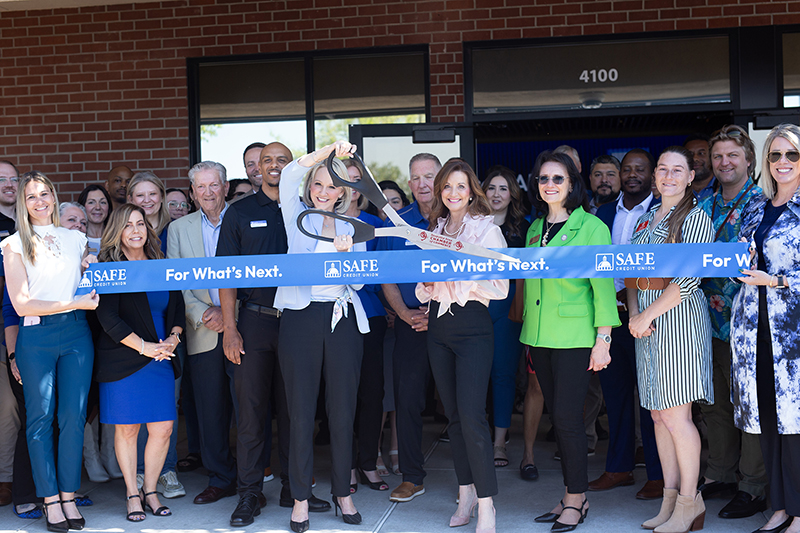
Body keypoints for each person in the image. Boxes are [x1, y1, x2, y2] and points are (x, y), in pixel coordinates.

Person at [521, 151, 619, 532]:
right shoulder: (533, 229)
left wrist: (604, 338)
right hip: (540, 336)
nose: (550, 185)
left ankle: (577, 499)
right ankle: (569, 494)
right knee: (557, 419)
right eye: (543, 178)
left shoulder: (592, 227)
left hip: (577, 337)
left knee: (568, 418)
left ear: (573, 183)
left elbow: (603, 287)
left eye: (557, 179)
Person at [275, 140, 367, 533]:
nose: (324, 192)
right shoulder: (295, 214)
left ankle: (343, 493)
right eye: (318, 184)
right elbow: (289, 174)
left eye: (332, 185)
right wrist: (328, 150)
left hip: (342, 318)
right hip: (300, 319)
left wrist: (347, 257)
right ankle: (299, 499)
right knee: (300, 412)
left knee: (343, 411)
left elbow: (361, 283)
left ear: (343, 191)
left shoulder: (352, 225)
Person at [1, 171, 99, 532]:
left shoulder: (77, 238)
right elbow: (23, 305)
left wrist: (92, 271)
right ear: (22, 204)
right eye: (31, 196)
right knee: (40, 421)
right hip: (36, 337)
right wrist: (71, 301)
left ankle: (69, 495)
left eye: (45, 194)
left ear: (54, 197)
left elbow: (87, 278)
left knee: (72, 419)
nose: (40, 201)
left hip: (76, 334)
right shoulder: (13, 244)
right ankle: (50, 501)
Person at [415, 158, 508, 532]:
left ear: (472, 192)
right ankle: (465, 491)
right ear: (440, 191)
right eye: (447, 187)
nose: (453, 193)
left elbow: (500, 285)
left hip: (472, 326)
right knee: (453, 417)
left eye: (460, 186)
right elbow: (424, 281)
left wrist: (459, 274)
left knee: (472, 417)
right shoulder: (433, 229)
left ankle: (487, 505)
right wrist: (428, 284)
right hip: (438, 326)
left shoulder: (486, 228)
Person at [627, 146, 714, 533]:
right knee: (659, 416)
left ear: (690, 176)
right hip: (645, 323)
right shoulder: (646, 219)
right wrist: (634, 314)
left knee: (677, 417)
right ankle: (670, 499)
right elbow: (629, 272)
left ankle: (690, 503)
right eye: (663, 169)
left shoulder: (695, 218)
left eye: (678, 170)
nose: (668, 175)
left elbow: (688, 279)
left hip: (677, 323)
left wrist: (646, 314)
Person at [94, 204, 185, 523]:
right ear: (116, 232)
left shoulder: (162, 265)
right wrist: (145, 347)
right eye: (128, 225)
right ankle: (132, 494)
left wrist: (173, 338)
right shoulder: (109, 268)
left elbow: (176, 308)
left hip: (162, 356)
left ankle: (150, 491)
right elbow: (108, 318)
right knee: (128, 428)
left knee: (162, 428)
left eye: (140, 224)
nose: (136, 230)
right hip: (124, 359)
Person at [731, 123, 800, 533]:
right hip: (754, 327)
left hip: (792, 334)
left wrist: (775, 281)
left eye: (792, 154)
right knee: (769, 421)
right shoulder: (757, 207)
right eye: (775, 155)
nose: (783, 163)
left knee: (796, 424)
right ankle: (779, 506)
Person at [698, 125, 767, 519]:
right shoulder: (703, 204)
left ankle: (752, 486)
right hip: (704, 323)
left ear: (749, 161)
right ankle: (720, 473)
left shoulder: (763, 204)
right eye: (718, 156)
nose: (724, 162)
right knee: (714, 405)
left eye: (732, 156)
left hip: (748, 323)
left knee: (749, 405)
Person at [592, 149, 664, 501]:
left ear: (652, 175)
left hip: (651, 317)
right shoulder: (603, 213)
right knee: (616, 396)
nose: (632, 174)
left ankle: (658, 473)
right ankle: (618, 468)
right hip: (612, 315)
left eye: (641, 169)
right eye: (627, 169)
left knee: (652, 398)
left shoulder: (662, 211)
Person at [166, 161, 238, 506]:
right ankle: (220, 477)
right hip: (202, 328)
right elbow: (176, 283)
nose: (208, 193)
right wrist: (203, 313)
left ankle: (256, 473)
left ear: (225, 187)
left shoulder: (241, 218)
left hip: (240, 326)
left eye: (214, 185)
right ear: (192, 192)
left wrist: (230, 315)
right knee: (210, 409)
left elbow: (261, 272)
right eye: (201, 187)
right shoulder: (179, 229)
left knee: (250, 406)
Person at [380, 153, 442, 503]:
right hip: (409, 323)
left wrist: (439, 312)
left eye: (429, 176)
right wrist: (403, 313)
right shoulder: (396, 223)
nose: (422, 184)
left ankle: (470, 479)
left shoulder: (459, 221)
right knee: (407, 402)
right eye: (415, 178)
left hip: (451, 322)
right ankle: (412, 477)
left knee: (460, 403)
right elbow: (386, 275)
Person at [342, 158, 389, 493]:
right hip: (335, 318)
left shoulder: (377, 225)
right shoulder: (319, 223)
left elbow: (383, 276)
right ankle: (345, 467)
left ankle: (368, 462)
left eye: (358, 180)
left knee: (372, 394)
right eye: (346, 180)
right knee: (342, 396)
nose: (352, 186)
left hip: (371, 315)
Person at [481, 166, 531, 470]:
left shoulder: (526, 229)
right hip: (476, 305)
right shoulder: (472, 226)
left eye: (503, 188)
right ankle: (474, 438)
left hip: (509, 308)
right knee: (474, 376)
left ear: (512, 194)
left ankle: (499, 442)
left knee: (502, 375)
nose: (496, 194)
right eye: (491, 188)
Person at [127, 172, 171, 255]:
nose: (147, 200)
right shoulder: (121, 231)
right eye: (140, 195)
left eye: (152, 194)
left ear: (162, 197)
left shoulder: (175, 229)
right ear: (131, 200)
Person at [77, 184, 113, 255]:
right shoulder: (77, 238)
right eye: (91, 202)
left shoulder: (115, 238)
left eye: (102, 202)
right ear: (82, 206)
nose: (98, 207)